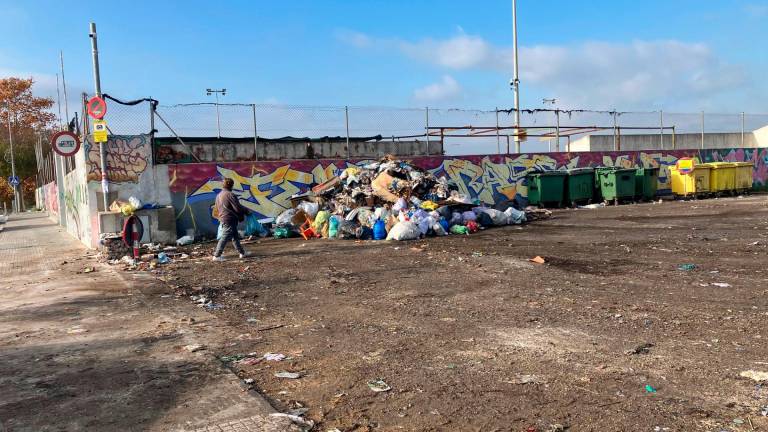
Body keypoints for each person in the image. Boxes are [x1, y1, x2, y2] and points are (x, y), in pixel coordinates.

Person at [212, 178, 252, 261]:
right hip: (229, 219)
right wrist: (246, 211)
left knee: (235, 237)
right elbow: (237, 208)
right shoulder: (230, 195)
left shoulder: (219, 195)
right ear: (232, 185)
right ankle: (217, 256)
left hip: (224, 218)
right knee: (225, 237)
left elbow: (216, 209)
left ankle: (242, 253)